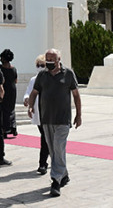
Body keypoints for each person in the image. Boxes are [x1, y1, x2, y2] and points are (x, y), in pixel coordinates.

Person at [27, 48, 81, 197]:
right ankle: (64, 175)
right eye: (47, 59)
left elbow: (76, 95)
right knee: (53, 150)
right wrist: (31, 106)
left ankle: (55, 181)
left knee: (58, 146)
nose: (49, 62)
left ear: (59, 60)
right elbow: (34, 92)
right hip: (46, 119)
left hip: (63, 119)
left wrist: (79, 115)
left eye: (52, 59)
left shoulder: (68, 74)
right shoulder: (42, 75)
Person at [24, 55, 50, 175]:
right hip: (38, 113)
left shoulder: (51, 79)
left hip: (50, 113)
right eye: (38, 65)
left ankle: (43, 162)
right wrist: (27, 100)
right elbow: (28, 92)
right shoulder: (34, 80)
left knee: (46, 138)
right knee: (45, 137)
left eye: (42, 65)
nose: (39, 67)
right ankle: (43, 163)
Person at [0, 49, 18, 137]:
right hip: (13, 89)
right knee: (11, 108)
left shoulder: (0, 69)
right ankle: (13, 127)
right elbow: (16, 80)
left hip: (5, 88)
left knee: (4, 109)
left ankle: (5, 129)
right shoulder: (13, 68)